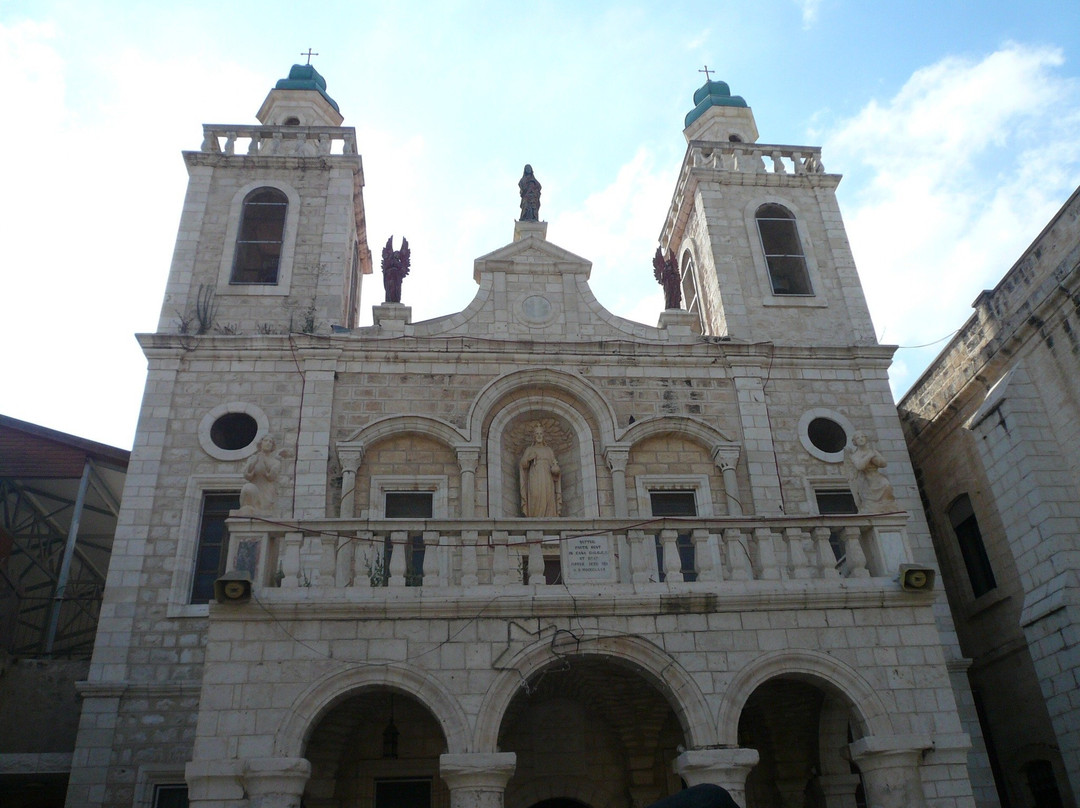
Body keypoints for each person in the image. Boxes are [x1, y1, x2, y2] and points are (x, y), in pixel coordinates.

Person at [519, 424, 561, 517]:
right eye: (537, 434)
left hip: (547, 477)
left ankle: (549, 516)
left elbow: (554, 465)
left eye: (541, 434)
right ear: (534, 436)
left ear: (543, 436)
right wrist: (529, 458)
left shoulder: (548, 450)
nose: (539, 436)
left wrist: (556, 470)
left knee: (548, 496)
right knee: (535, 495)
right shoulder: (530, 449)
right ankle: (534, 517)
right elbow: (523, 465)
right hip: (534, 476)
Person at [847, 431, 895, 513]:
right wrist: (869, 456)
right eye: (858, 438)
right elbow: (860, 466)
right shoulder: (855, 455)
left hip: (877, 477)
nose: (861, 439)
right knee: (869, 501)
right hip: (866, 480)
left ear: (866, 438)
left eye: (862, 436)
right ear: (855, 442)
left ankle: (886, 507)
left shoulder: (873, 451)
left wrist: (875, 459)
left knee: (887, 486)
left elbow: (884, 464)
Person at [235, 436, 282, 516]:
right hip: (255, 488)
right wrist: (253, 463)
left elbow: (271, 477)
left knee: (264, 511)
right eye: (266, 441)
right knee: (247, 488)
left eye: (270, 442)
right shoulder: (253, 458)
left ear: (272, 446)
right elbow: (247, 476)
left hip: (267, 491)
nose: (268, 443)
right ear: (261, 443)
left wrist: (264, 461)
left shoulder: (276, 462)